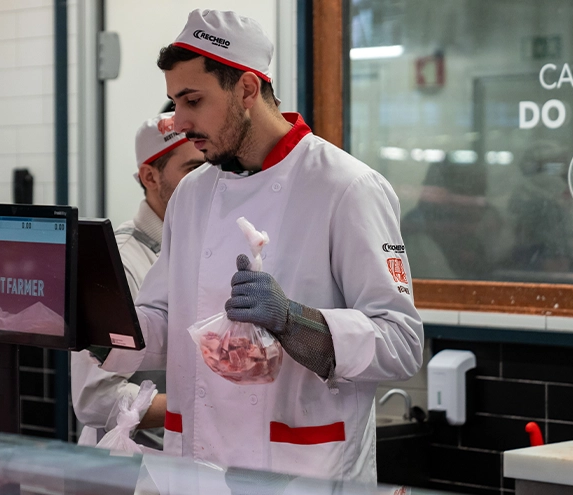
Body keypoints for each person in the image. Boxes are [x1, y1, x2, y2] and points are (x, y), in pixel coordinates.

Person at [99, 9, 423, 483]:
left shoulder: (346, 187)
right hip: (194, 467)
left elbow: (402, 342)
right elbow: (166, 322)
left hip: (300, 469)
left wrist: (294, 321)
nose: (179, 122)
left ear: (247, 89)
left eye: (192, 100)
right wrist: (98, 325)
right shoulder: (192, 193)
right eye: (174, 102)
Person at [71, 112, 206, 449]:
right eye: (192, 170)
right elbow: (94, 397)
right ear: (150, 176)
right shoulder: (119, 262)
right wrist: (202, 407)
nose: (206, 181)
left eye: (211, 168)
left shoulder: (205, 249)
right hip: (129, 466)